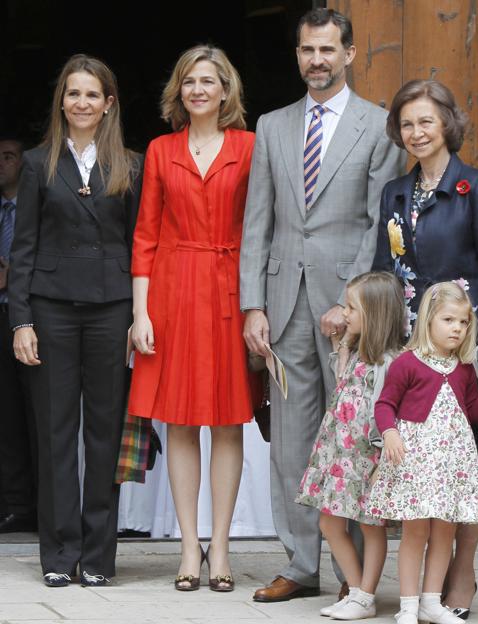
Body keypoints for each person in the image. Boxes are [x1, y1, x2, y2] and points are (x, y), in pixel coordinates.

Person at [240, 7, 404, 602]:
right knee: (289, 441)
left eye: (327, 50)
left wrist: (350, 302)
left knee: (354, 439)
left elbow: (375, 221)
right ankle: (299, 564)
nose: (317, 60)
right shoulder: (272, 125)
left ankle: (352, 575)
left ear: (350, 54)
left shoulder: (378, 124)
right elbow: (258, 222)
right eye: (308, 51)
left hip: (349, 315)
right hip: (281, 305)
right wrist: (252, 304)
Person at [9, 54, 142, 586]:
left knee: (105, 434)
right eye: (73, 94)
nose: (82, 103)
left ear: (108, 103)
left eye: (92, 94)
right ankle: (60, 555)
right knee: (55, 433)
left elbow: (141, 247)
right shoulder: (38, 163)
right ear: (61, 102)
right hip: (51, 309)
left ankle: (98, 557)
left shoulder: (131, 164)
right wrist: (21, 320)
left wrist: (140, 316)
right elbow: (22, 250)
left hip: (112, 309)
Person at [128, 45, 254, 592]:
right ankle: (187, 548)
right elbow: (145, 237)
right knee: (179, 421)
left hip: (230, 292)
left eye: (209, 81)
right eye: (189, 81)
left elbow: (262, 227)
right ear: (178, 91)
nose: (198, 90)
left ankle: (220, 548)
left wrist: (258, 307)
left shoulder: (251, 148)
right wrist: (140, 314)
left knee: (228, 423)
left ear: (226, 91)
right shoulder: (159, 150)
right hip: (173, 295)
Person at [372, 79, 478, 618]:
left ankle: (461, 578)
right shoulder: (395, 193)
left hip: (461, 341)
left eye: (426, 120)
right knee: (418, 471)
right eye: (407, 123)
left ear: (447, 122)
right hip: (410, 347)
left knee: (465, 467)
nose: (417, 132)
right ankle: (412, 591)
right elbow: (385, 268)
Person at [367, 281, 478, 624]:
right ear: (428, 320)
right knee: (415, 533)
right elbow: (384, 404)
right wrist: (390, 432)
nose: (457, 328)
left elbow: (474, 413)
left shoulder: (462, 369)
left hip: (450, 464)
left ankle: (431, 602)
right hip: (416, 461)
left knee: (445, 532)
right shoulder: (407, 364)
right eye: (448, 320)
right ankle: (409, 604)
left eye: (462, 322)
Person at [295, 271, 404, 620]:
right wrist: (342, 342)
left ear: (373, 314)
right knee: (329, 523)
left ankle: (366, 594)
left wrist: (381, 466)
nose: (345, 313)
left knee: (372, 528)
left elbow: (387, 416)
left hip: (366, 459)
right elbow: (340, 381)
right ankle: (357, 590)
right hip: (339, 454)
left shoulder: (388, 363)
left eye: (352, 308)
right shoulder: (356, 353)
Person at [0, 138, 38, 535]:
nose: (1, 163)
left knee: (37, 412)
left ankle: (41, 504)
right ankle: (15, 503)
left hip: (29, 317)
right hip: (1, 315)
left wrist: (11, 276)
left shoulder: (35, 203)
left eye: (8, 156)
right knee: (7, 414)